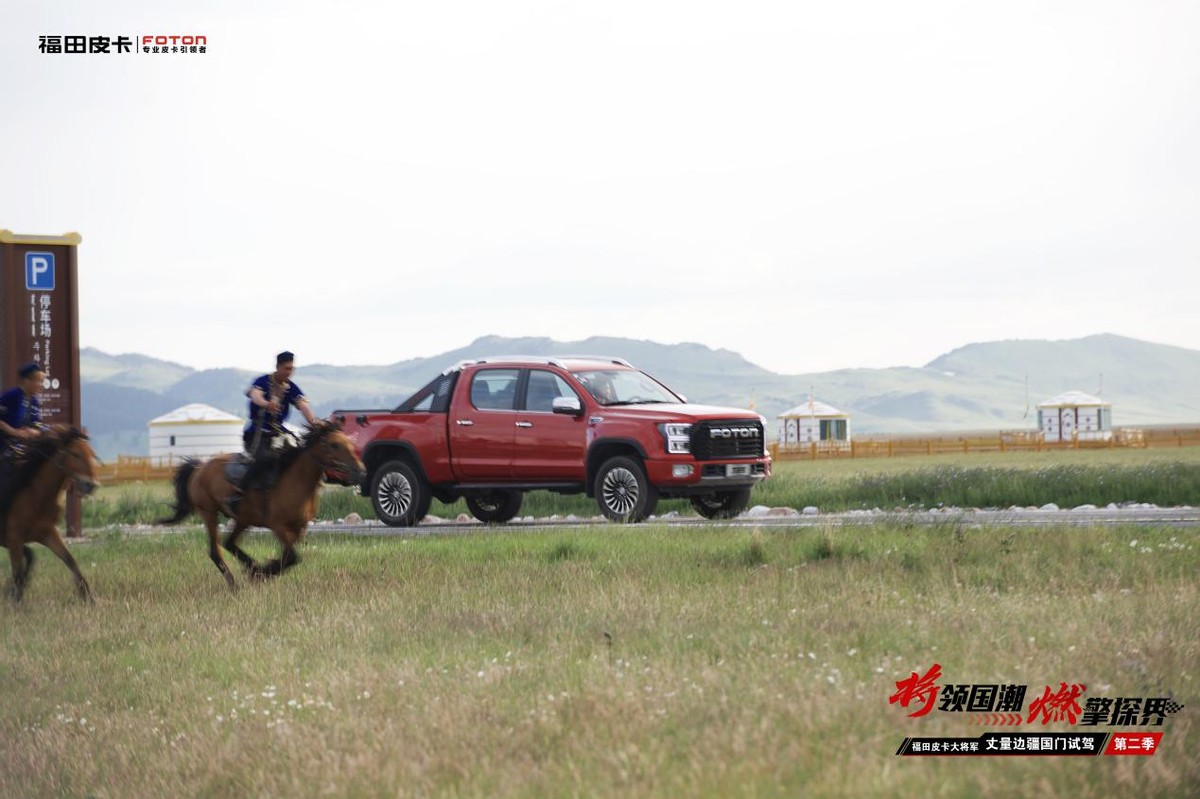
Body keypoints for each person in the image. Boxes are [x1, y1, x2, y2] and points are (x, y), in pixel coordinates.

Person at [229, 351, 319, 510]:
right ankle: (239, 492)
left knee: (297, 456)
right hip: (257, 433)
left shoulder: (291, 387)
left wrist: (314, 422)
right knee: (264, 458)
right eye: (286, 368)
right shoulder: (262, 381)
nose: (289, 372)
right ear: (278, 367)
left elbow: (302, 405)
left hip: (278, 433)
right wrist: (266, 404)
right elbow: (255, 395)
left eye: (291, 369)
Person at [0, 362, 47, 507]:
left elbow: (37, 424)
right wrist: (15, 432)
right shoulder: (11, 396)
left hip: (20, 447)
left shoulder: (34, 401)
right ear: (26, 381)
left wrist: (36, 431)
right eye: (38, 380)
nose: (41, 384)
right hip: (3, 445)